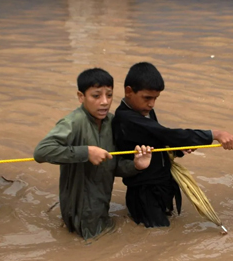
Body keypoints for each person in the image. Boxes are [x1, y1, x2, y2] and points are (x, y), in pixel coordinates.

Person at [112, 62, 233, 228]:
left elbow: (158, 140)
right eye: (147, 98)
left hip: (161, 184)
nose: (152, 104)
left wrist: (179, 148)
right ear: (129, 92)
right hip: (145, 193)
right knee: (159, 236)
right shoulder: (126, 119)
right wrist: (214, 134)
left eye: (155, 98)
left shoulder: (143, 110)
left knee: (164, 228)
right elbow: (167, 134)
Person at [34, 68, 153, 240]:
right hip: (80, 213)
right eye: (96, 96)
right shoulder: (73, 122)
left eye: (109, 95)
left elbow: (112, 164)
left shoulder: (111, 122)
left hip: (101, 207)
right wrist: (86, 151)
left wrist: (135, 165)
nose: (104, 102)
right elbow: (41, 151)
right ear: (81, 96)